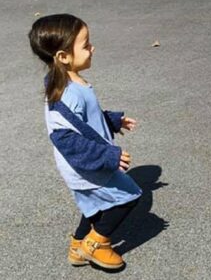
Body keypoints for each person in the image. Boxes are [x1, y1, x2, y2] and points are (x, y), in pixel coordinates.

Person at [29, 14, 142, 270]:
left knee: (95, 205)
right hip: (86, 165)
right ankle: (96, 244)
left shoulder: (71, 82)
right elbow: (66, 138)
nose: (92, 48)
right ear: (63, 56)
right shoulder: (67, 94)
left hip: (85, 164)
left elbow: (85, 123)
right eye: (86, 44)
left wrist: (112, 121)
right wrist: (108, 157)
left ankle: (78, 246)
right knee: (129, 196)